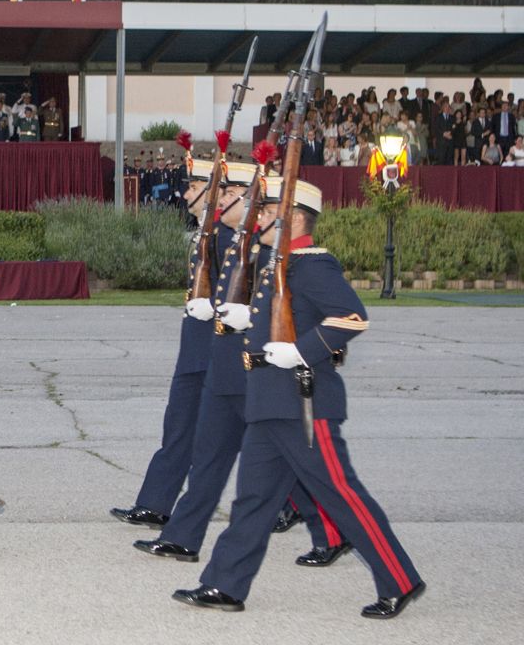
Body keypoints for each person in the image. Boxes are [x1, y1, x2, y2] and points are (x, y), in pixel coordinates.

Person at [173, 177, 426, 619]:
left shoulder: (312, 265)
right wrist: (238, 319)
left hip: (303, 405)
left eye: (268, 212)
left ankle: (400, 580)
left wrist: (301, 351)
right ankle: (224, 585)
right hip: (268, 403)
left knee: (343, 496)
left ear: (293, 219)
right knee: (252, 500)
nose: (260, 217)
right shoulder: (275, 264)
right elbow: (277, 320)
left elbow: (351, 318)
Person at [134, 167, 344, 566]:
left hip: (255, 371)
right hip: (223, 366)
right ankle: (182, 536)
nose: (224, 198)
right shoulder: (236, 244)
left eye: (231, 192)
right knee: (211, 457)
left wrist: (236, 315)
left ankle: (332, 532)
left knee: (294, 463)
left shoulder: (267, 249)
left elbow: (282, 308)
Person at [110, 156, 224, 530]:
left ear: (213, 192)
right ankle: (155, 503)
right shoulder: (206, 232)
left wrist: (216, 308)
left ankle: (297, 504)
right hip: (195, 345)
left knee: (258, 433)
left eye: (193, 187)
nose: (185, 192)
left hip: (219, 349)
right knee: (178, 427)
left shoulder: (226, 237)